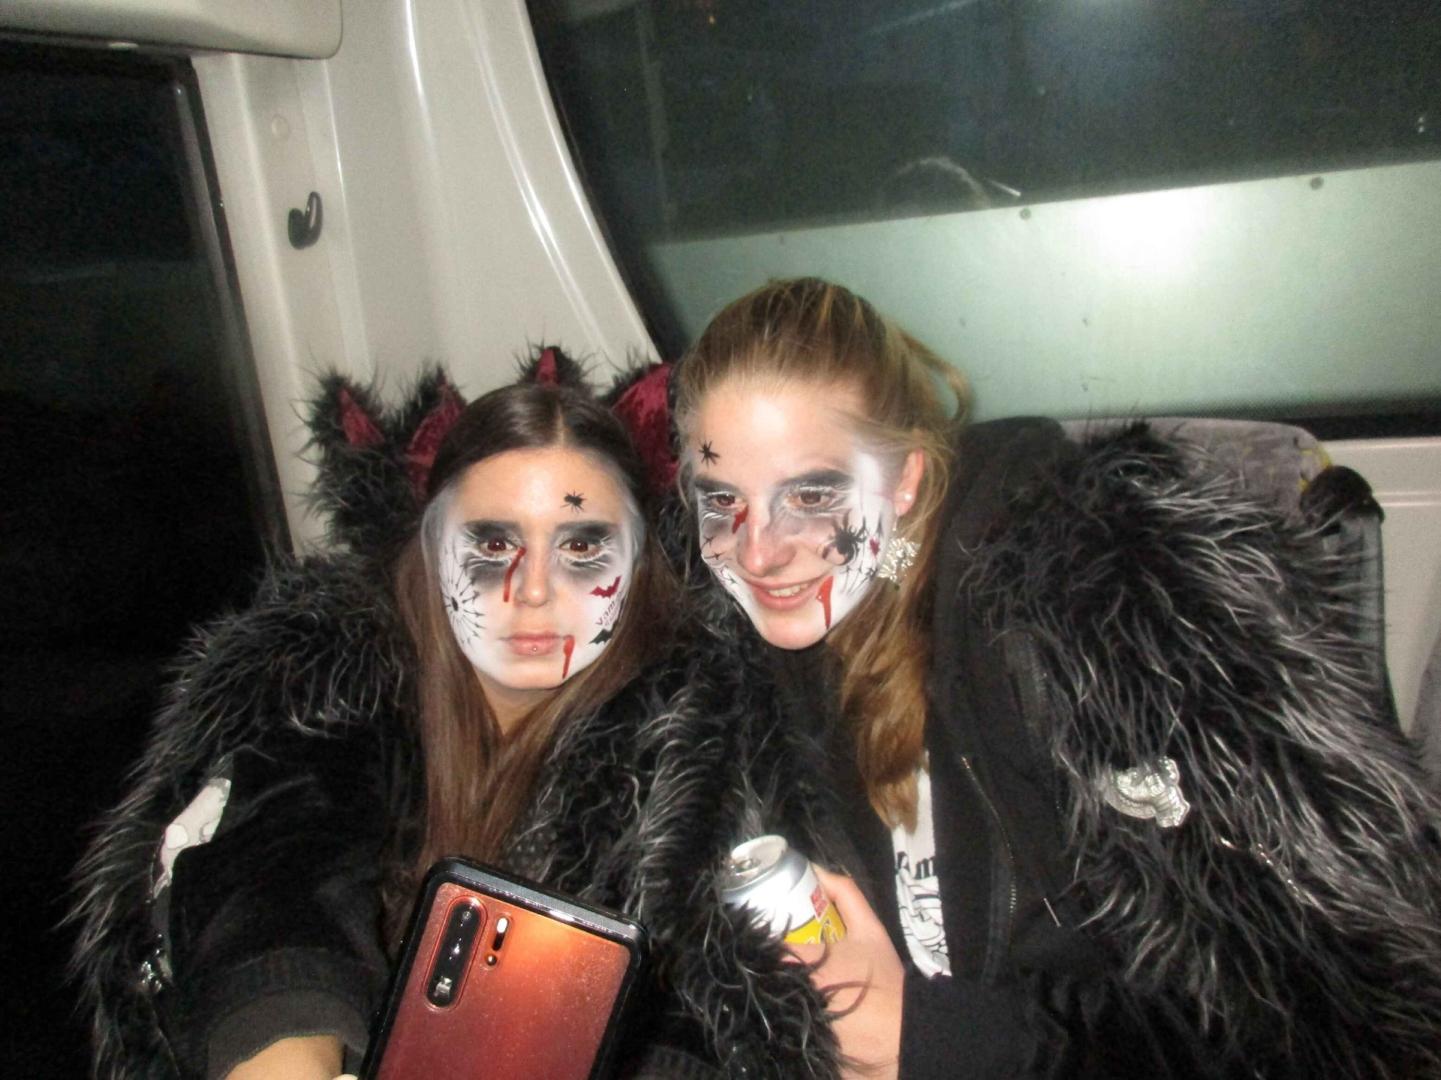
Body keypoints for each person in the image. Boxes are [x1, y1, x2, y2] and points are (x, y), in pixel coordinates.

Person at [667, 277, 1441, 1078]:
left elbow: (1306, 1031)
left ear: (904, 479)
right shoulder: (741, 669)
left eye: (811, 493)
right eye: (721, 500)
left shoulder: (1089, 640)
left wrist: (931, 1041)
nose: (756, 552)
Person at [69, 367, 727, 1080]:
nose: (535, 589)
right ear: (432, 549)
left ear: (638, 562)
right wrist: (286, 1042)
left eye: (581, 547)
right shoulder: (336, 694)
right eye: (492, 546)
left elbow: (697, 1004)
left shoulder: (695, 755)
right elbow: (281, 867)